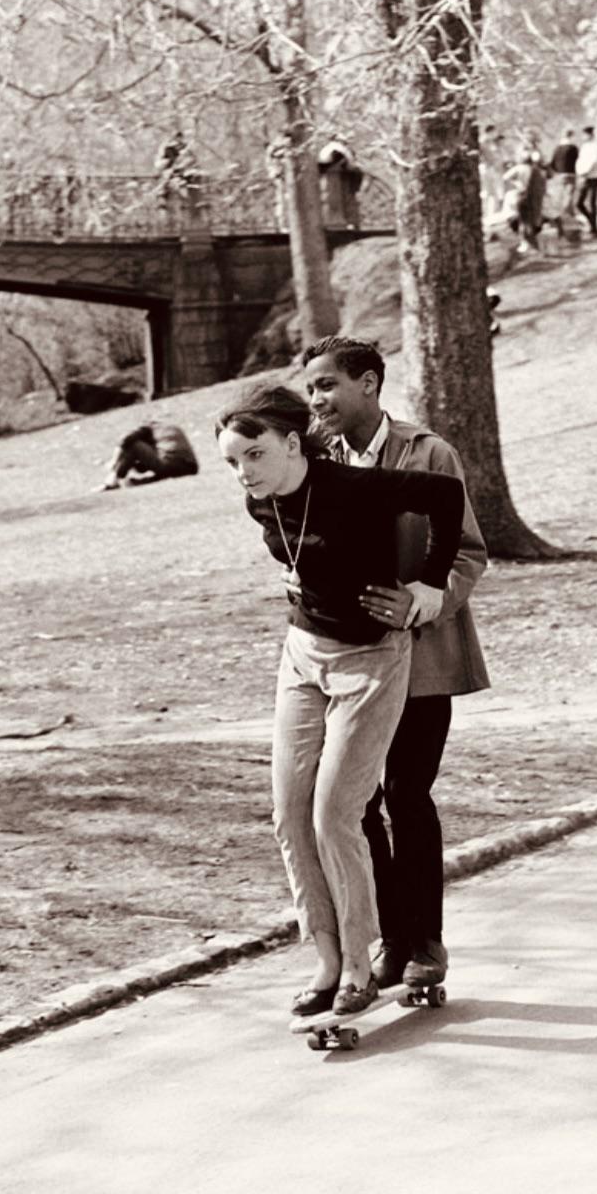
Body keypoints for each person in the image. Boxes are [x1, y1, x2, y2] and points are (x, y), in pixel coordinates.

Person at [216, 383, 465, 1017]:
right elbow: (301, 555)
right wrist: (298, 587)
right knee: (288, 814)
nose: (244, 474)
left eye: (254, 455)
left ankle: (362, 962)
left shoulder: (356, 488)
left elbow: (445, 497)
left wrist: (427, 585)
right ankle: (326, 958)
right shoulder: (262, 505)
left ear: (292, 444)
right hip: (301, 657)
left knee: (335, 814)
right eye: (232, 462)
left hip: (371, 661)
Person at [300, 337, 489, 992]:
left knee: (407, 795)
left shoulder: (427, 452)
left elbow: (466, 551)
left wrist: (424, 596)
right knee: (358, 799)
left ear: (369, 384)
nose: (316, 399)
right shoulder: (314, 462)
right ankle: (388, 938)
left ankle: (425, 944)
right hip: (349, 661)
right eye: (310, 389)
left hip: (423, 658)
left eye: (326, 385)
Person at [97, 423, 199, 492]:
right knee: (165, 466)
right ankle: (133, 482)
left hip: (170, 465)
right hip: (190, 467)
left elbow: (125, 440)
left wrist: (114, 461)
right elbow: (147, 466)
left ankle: (112, 482)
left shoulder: (148, 428)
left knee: (134, 445)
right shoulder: (168, 430)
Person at [575, 125, 597, 237]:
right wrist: (579, 171)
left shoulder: (595, 146)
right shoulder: (584, 147)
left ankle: (594, 228)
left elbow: (593, 161)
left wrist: (585, 171)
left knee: (591, 203)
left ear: (590, 135)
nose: (583, 137)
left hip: (593, 177)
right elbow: (580, 161)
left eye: (585, 135)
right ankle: (591, 222)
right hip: (584, 176)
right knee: (579, 203)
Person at [549, 128, 579, 214]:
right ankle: (568, 215)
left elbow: (552, 163)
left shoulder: (557, 148)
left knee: (560, 197)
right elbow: (578, 161)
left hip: (559, 176)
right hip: (571, 175)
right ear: (571, 136)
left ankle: (560, 215)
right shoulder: (573, 148)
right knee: (569, 196)